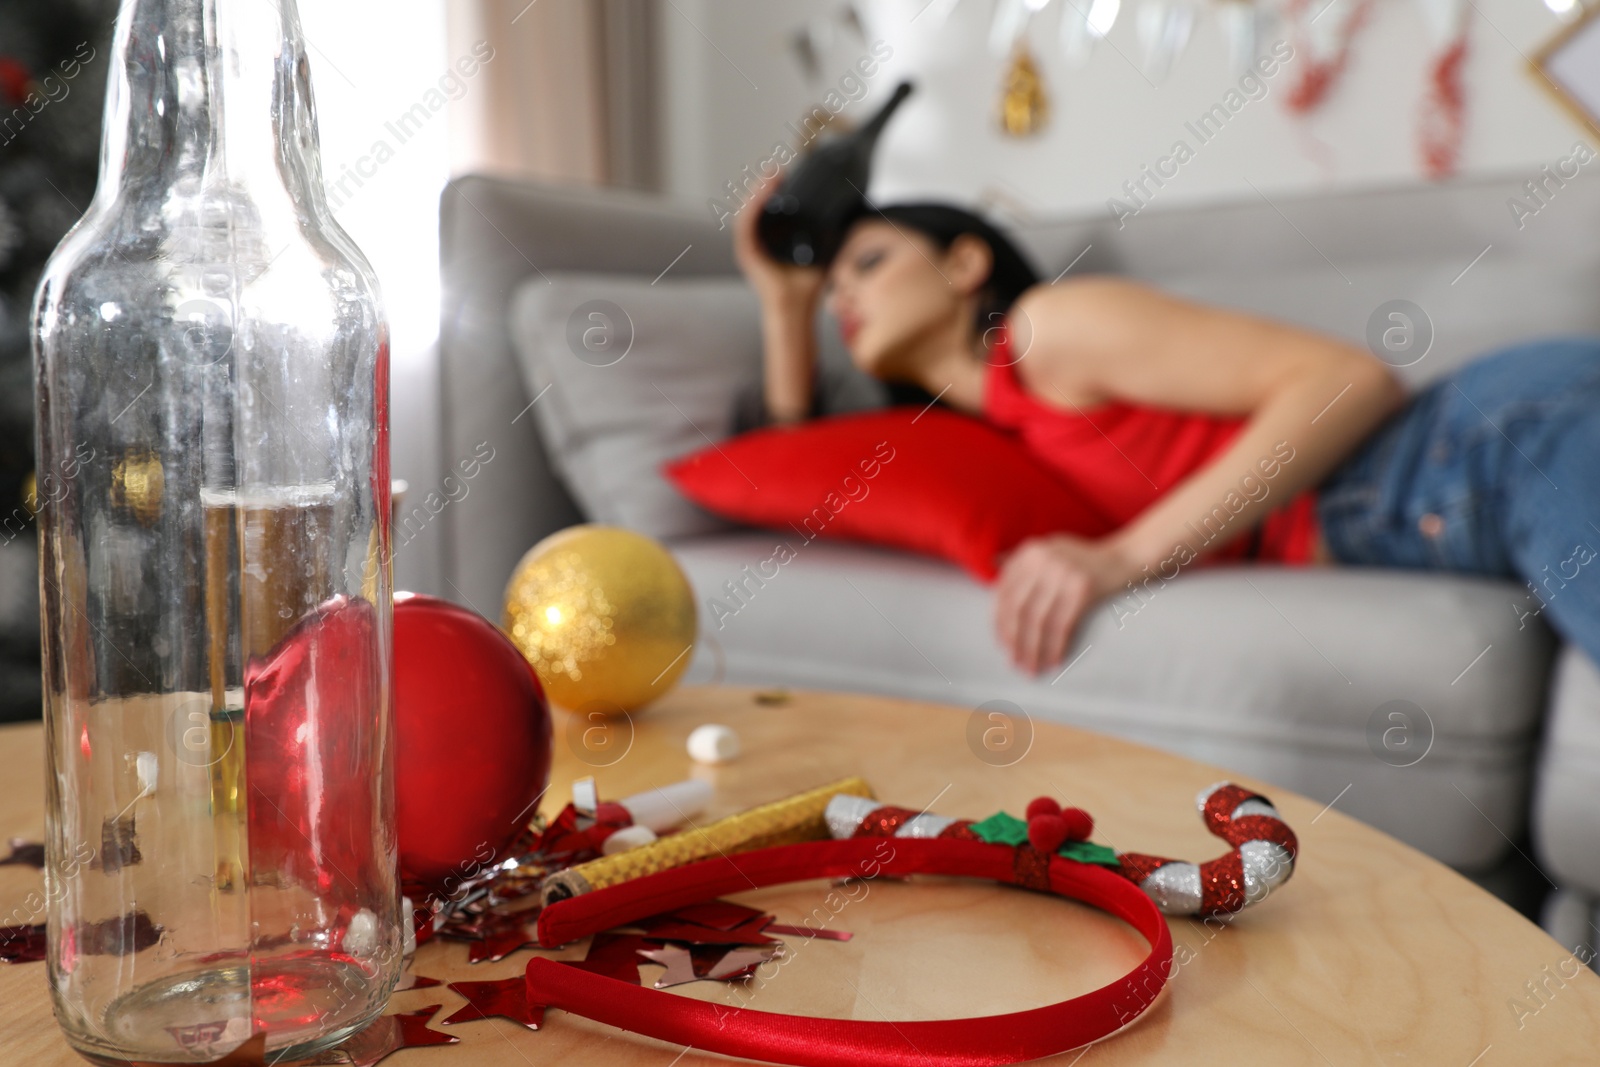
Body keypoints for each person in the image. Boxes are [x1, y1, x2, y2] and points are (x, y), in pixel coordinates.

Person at [733, 179, 1600, 676]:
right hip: (1452, 495)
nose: (845, 297)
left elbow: (1347, 380)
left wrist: (1122, 557)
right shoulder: (980, 435)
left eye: (870, 264)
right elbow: (789, 474)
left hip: (1491, 444)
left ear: (965, 263)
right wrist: (782, 306)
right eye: (833, 289)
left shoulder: (1046, 331)